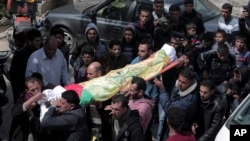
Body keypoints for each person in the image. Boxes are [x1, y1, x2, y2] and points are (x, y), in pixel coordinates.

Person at [154, 68, 199, 141]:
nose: (179, 84)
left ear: (191, 83)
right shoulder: (180, 87)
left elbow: (169, 109)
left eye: (183, 82)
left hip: (179, 129)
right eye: (179, 80)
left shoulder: (189, 100)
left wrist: (162, 89)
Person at [9, 75, 48, 141]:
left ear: (41, 86)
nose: (36, 92)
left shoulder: (46, 97)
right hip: (22, 133)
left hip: (38, 133)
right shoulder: (23, 98)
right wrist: (31, 100)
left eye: (37, 88)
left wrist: (31, 112)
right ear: (27, 90)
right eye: (33, 90)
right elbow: (13, 112)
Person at [9, 28, 42, 103]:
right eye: (36, 41)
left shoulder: (41, 52)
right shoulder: (20, 54)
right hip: (23, 89)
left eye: (40, 40)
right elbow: (14, 75)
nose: (39, 43)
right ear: (30, 42)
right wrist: (20, 92)